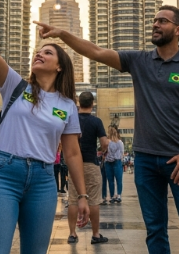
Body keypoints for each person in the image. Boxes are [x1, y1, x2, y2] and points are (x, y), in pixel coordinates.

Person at [36, 4, 179, 254]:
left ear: (178, 29)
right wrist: (62, 35)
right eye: (154, 20)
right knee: (154, 229)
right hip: (145, 160)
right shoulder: (139, 60)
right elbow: (97, 52)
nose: (155, 24)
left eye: (162, 21)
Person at [0, 0, 89, 254]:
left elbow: (73, 153)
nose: (39, 55)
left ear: (60, 67)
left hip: (43, 181)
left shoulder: (67, 105)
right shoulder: (15, 87)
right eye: (38, 52)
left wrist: (83, 195)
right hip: (1, 174)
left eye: (48, 52)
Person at [67, 91, 109, 245]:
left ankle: (72, 234)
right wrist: (103, 150)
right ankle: (96, 234)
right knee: (94, 200)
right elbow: (104, 143)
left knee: (73, 198)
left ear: (79, 103)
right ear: (92, 104)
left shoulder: (73, 119)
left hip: (74, 165)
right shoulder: (96, 121)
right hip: (91, 163)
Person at [105, 126, 124, 204]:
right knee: (119, 180)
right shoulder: (120, 142)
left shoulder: (107, 142)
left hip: (108, 162)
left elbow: (104, 151)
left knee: (110, 180)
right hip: (117, 161)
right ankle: (119, 195)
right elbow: (122, 152)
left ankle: (112, 196)